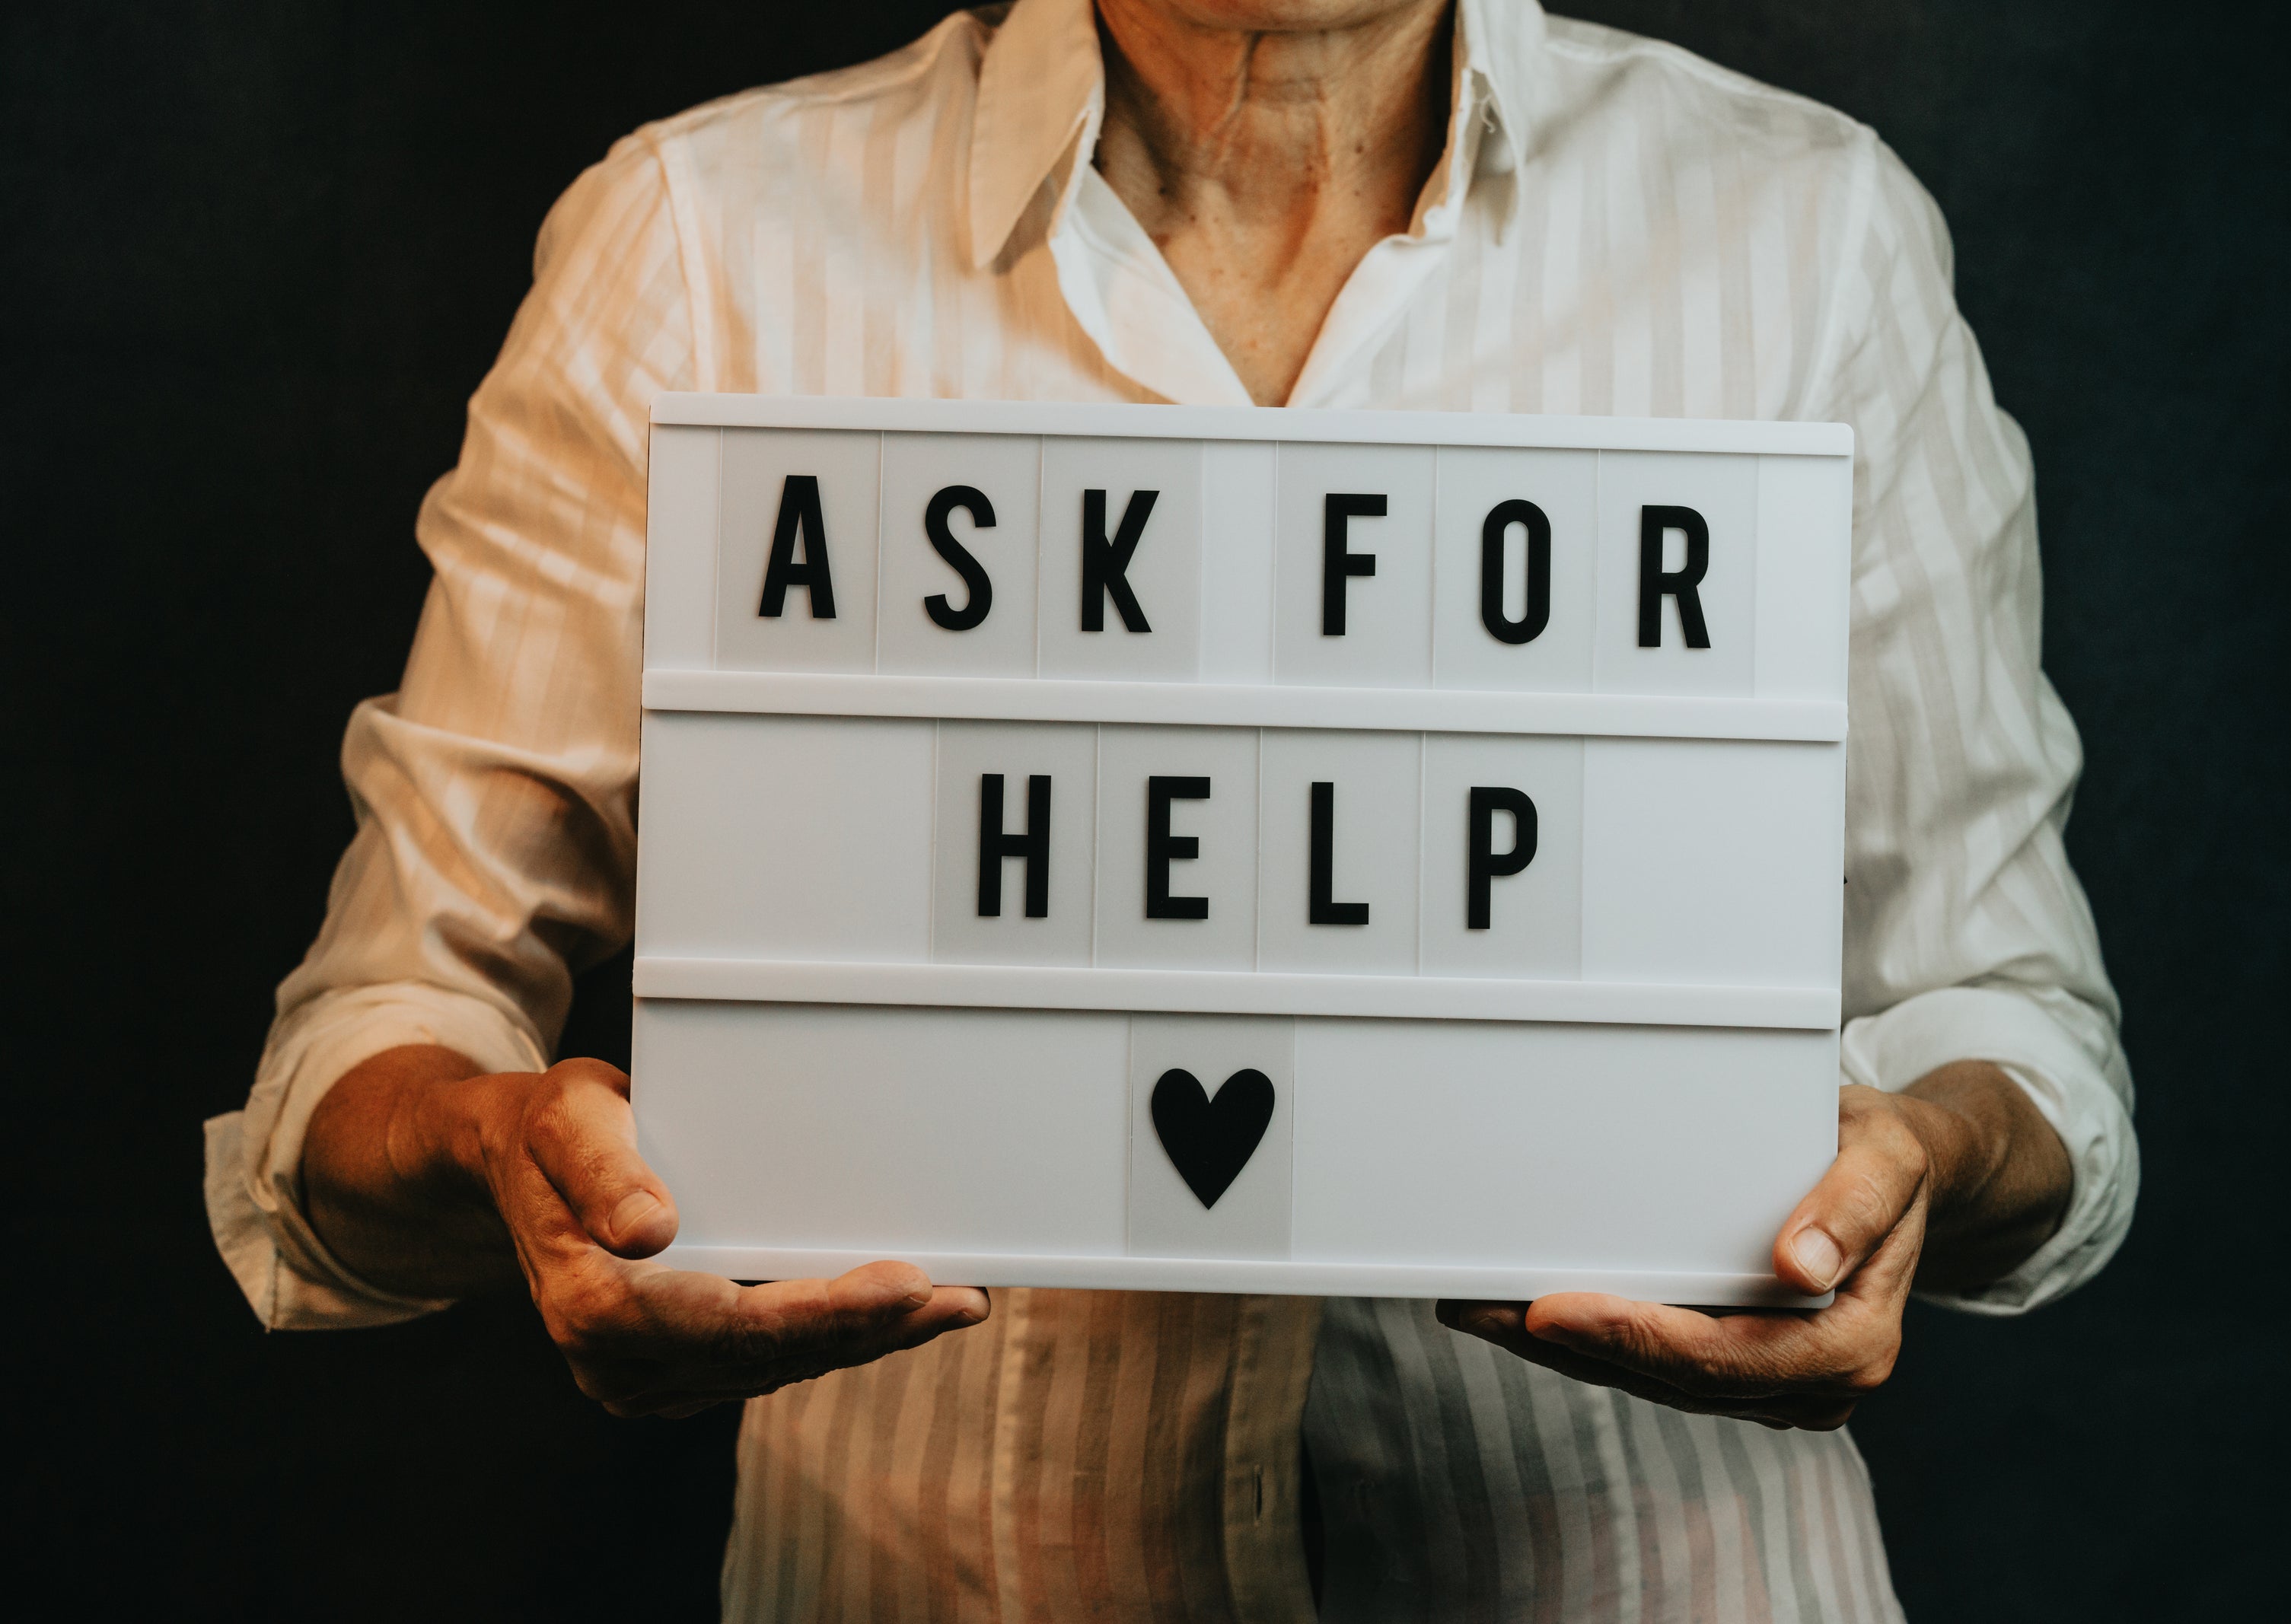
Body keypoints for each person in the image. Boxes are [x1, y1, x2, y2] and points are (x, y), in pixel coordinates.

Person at [204, 0, 2138, 1616]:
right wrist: (497, 1143)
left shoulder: (1806, 236)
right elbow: (373, 1048)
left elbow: (2012, 1025)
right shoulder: (701, 239)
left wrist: (1923, 1163)